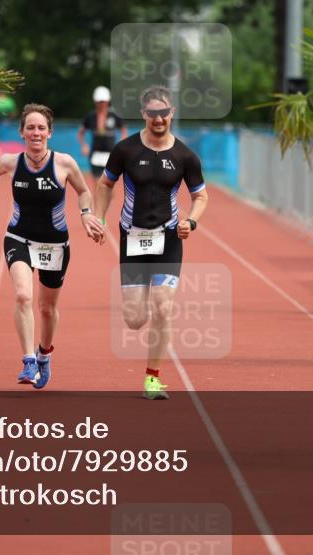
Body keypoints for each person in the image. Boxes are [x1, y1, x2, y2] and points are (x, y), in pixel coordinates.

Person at [0, 104, 104, 388]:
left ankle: (44, 353)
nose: (36, 132)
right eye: (30, 127)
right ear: (21, 132)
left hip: (55, 244)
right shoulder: (10, 162)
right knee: (22, 295)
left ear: (50, 133)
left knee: (46, 308)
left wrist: (86, 213)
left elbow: (83, 191)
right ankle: (29, 360)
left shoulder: (64, 163)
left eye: (41, 127)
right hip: (19, 238)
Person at [93, 86, 208, 400]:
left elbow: (200, 196)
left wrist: (191, 221)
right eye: (153, 113)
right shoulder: (125, 150)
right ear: (144, 114)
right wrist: (99, 219)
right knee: (134, 320)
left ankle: (152, 378)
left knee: (163, 308)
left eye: (164, 113)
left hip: (169, 239)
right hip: (132, 239)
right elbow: (105, 184)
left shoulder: (185, 155)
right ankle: (137, 307)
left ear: (171, 113)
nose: (159, 119)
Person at [78, 85, 127, 179]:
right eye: (99, 101)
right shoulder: (90, 116)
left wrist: (122, 142)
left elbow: (124, 129)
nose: (101, 104)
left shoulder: (114, 115)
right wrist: (84, 145)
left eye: (103, 101)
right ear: (95, 101)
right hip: (95, 153)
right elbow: (80, 133)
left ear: (108, 101)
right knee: (97, 184)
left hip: (111, 154)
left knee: (109, 184)